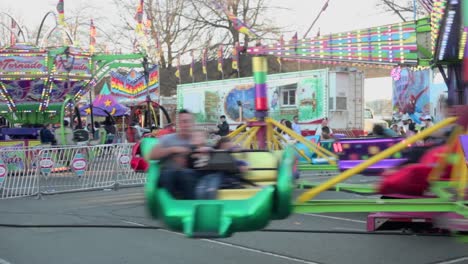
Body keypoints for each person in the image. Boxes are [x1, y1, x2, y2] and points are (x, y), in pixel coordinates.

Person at [148, 109, 203, 199]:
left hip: (190, 175)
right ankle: (169, 206)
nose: (185, 125)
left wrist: (200, 148)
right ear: (177, 124)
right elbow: (152, 155)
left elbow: (209, 154)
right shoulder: (167, 139)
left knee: (187, 174)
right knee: (170, 174)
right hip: (169, 174)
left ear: (192, 124)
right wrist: (172, 150)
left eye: (188, 122)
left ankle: (190, 206)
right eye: (182, 122)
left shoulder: (198, 138)